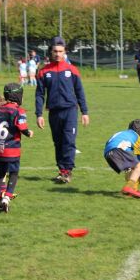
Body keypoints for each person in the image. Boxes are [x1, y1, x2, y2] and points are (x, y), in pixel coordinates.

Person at [35, 37, 89, 184]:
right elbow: (39, 94)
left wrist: (84, 112)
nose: (58, 54)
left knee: (69, 141)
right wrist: (39, 114)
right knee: (58, 142)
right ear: (51, 52)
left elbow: (80, 92)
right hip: (53, 112)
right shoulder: (43, 72)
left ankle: (67, 171)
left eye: (60, 51)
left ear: (65, 52)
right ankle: (62, 170)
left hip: (70, 111)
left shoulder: (72, 70)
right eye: (55, 51)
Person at [0, 84, 34, 212]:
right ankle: (7, 197)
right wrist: (28, 132)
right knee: (14, 173)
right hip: (12, 148)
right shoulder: (18, 110)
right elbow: (21, 126)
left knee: (0, 173)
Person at [103, 119, 140, 198]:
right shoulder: (136, 137)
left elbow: (109, 143)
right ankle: (129, 187)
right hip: (117, 151)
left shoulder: (122, 133)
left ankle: (133, 190)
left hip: (107, 154)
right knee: (139, 167)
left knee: (132, 169)